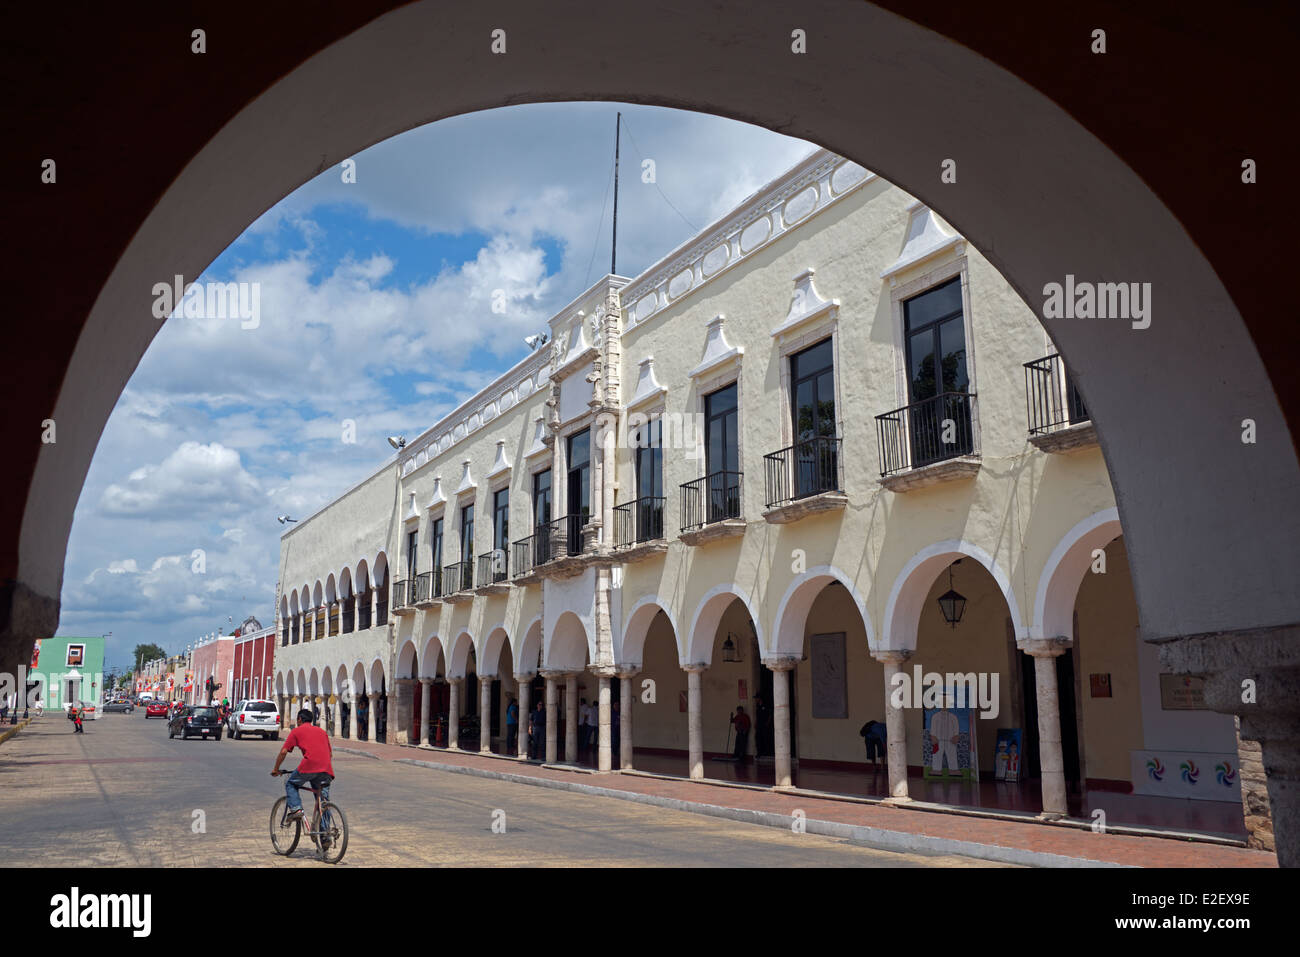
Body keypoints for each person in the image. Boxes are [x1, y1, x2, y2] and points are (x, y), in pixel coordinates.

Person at [271, 708, 335, 824]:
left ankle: (296, 809)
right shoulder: (322, 732)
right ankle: (326, 837)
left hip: (309, 766)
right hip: (326, 769)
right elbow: (330, 754)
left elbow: (284, 751)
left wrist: (276, 769)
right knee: (323, 801)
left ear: (299, 719)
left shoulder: (296, 731)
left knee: (290, 783)